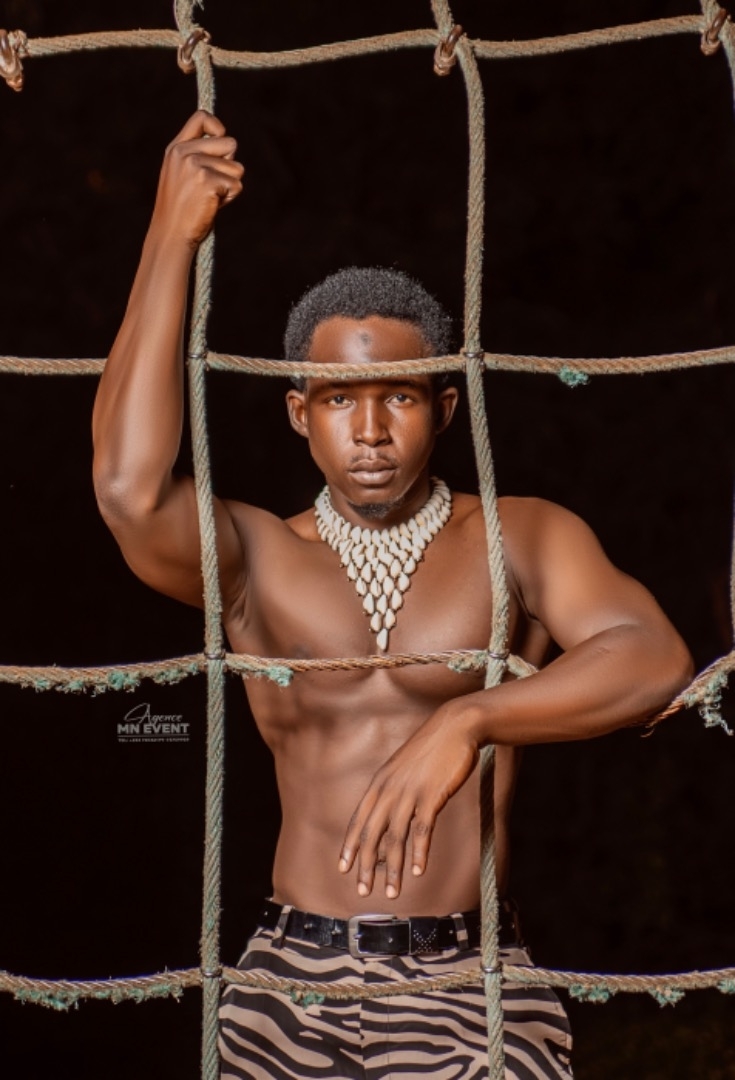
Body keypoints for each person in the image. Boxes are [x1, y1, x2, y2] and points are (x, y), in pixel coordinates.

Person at [92, 112, 693, 1080]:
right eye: (339, 399)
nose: (369, 430)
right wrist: (170, 235)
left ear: (444, 408)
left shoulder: (517, 536)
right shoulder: (257, 558)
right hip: (290, 979)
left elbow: (654, 657)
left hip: (469, 984)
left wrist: (470, 720)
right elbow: (128, 493)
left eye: (399, 397)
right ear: (300, 413)